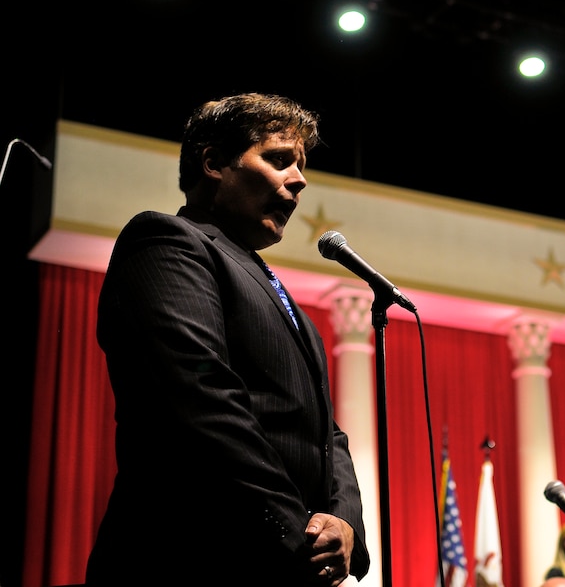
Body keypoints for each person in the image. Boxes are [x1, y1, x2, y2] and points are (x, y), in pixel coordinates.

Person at [84, 93, 370, 586]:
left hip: (282, 567)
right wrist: (293, 531)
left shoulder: (285, 300)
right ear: (214, 162)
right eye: (279, 159)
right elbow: (201, 398)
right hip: (189, 559)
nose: (299, 179)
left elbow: (329, 434)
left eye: (301, 165)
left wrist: (343, 520)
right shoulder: (166, 242)